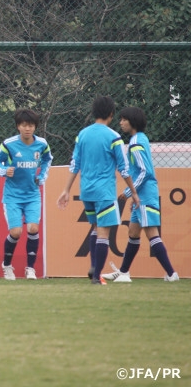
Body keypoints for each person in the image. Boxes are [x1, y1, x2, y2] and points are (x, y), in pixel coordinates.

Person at [57, 96, 140, 285]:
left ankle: (94, 266)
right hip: (104, 192)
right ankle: (96, 276)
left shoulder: (83, 135)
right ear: (111, 114)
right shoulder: (114, 137)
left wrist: (66, 190)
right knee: (103, 232)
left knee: (95, 228)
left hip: (86, 191)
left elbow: (75, 164)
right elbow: (124, 168)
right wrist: (133, 192)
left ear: (93, 113)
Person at [101, 107, 179, 282]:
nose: (120, 123)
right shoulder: (139, 139)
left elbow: (145, 172)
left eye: (123, 119)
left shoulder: (136, 143)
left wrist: (130, 192)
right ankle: (123, 272)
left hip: (145, 195)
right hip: (141, 196)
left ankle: (171, 273)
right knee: (133, 232)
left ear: (132, 121)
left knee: (151, 234)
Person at [0, 109, 53, 280]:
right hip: (12, 196)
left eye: (31, 126)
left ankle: (30, 269)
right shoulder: (9, 144)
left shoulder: (41, 144)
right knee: (16, 232)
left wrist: (42, 176)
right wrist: (4, 170)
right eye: (24, 125)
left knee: (33, 228)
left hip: (32, 194)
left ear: (35, 127)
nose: (28, 129)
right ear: (18, 126)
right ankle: (7, 265)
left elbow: (48, 159)